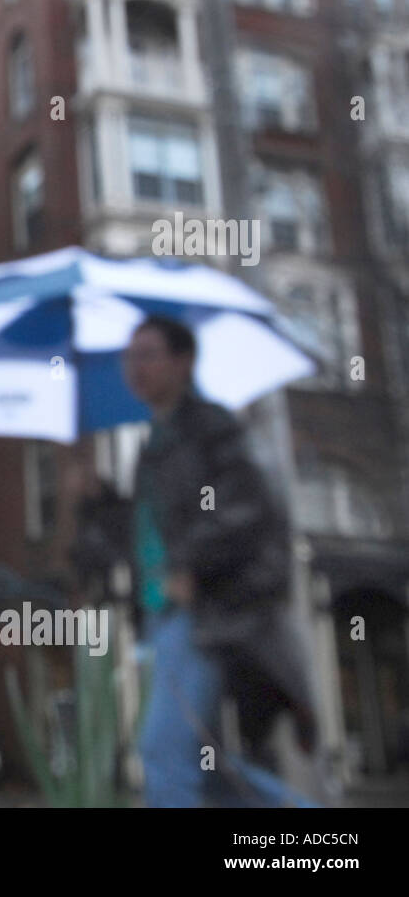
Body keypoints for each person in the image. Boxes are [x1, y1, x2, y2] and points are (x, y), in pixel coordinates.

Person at [121, 314, 319, 807]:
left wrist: (190, 566)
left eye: (147, 354)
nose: (133, 366)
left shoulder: (211, 428)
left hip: (204, 614)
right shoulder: (154, 443)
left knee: (164, 753)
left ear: (183, 361)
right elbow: (146, 535)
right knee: (205, 767)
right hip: (161, 618)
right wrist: (94, 503)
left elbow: (245, 507)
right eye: (129, 356)